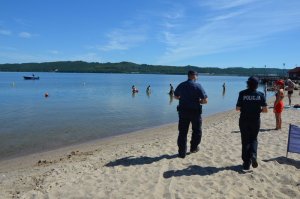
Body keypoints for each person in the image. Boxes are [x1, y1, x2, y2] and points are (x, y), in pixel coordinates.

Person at [174, 70, 208, 158]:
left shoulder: (181, 85)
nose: (197, 78)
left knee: (182, 132)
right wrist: (199, 101)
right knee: (196, 131)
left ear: (188, 76)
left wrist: (183, 99)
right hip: (195, 112)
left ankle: (182, 153)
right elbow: (205, 101)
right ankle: (193, 148)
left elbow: (175, 96)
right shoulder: (198, 86)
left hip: (183, 112)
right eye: (197, 76)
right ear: (195, 76)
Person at [236, 76, 267, 170]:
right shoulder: (260, 94)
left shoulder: (242, 93)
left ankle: (246, 163)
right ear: (257, 85)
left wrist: (245, 108)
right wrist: (259, 110)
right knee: (253, 139)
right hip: (255, 120)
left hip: (244, 119)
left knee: (245, 140)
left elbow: (237, 108)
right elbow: (265, 110)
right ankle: (253, 154)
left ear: (247, 83)